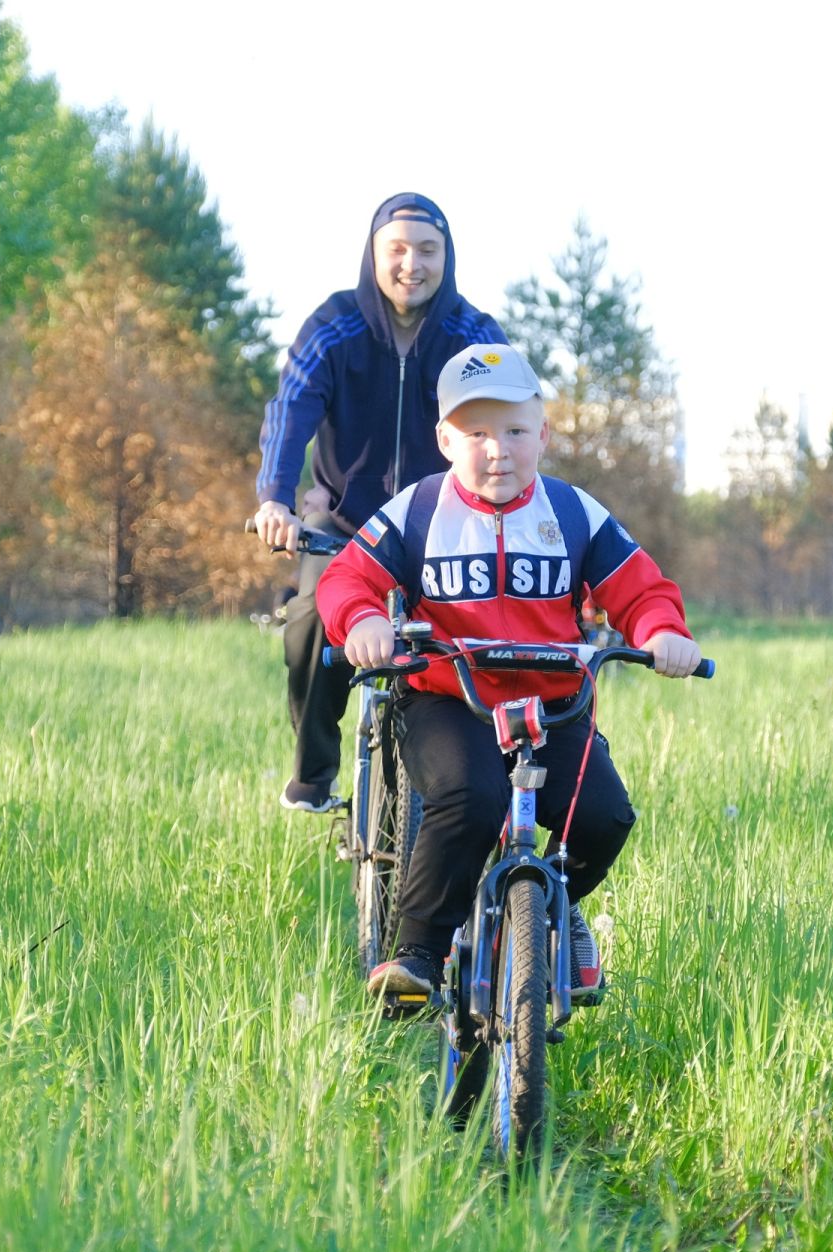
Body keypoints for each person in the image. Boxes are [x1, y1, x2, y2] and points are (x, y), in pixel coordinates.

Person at [317, 343, 702, 1000]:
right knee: (471, 801)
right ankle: (417, 954)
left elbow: (638, 587)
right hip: (447, 696)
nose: (499, 449)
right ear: (445, 439)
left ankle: (552, 904)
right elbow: (346, 576)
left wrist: (661, 632)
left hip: (552, 706)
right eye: (477, 433)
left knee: (603, 817)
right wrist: (363, 623)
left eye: (517, 431)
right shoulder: (418, 511)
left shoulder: (573, 513)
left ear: (544, 435)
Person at [252, 193, 507, 814]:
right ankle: (314, 772)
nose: (411, 264)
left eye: (427, 250)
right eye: (397, 249)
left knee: (490, 637)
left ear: (447, 257)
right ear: (373, 255)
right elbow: (292, 410)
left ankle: (488, 789)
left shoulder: (474, 336)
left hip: (444, 529)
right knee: (313, 621)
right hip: (342, 523)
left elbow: (509, 421)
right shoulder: (334, 326)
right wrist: (275, 500)